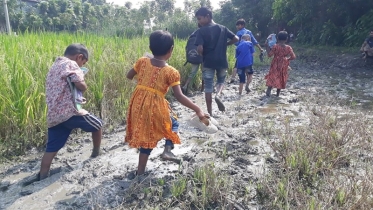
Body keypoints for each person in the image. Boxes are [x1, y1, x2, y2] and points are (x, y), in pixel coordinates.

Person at [125, 30, 209, 178]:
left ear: (150, 48)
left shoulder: (142, 62)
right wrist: (197, 109)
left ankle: (140, 172)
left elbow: (129, 76)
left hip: (137, 104)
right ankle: (167, 150)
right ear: (171, 50)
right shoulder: (171, 72)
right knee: (173, 122)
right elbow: (179, 96)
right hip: (155, 105)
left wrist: (144, 60)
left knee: (147, 137)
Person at [39, 44, 103, 180]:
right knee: (98, 125)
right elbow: (80, 85)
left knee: (51, 148)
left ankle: (43, 175)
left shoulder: (55, 66)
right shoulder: (71, 64)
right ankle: (96, 153)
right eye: (83, 63)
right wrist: (84, 84)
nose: (81, 65)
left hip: (54, 115)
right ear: (79, 57)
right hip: (70, 112)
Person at [194, 7, 239, 116]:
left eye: (200, 19)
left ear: (207, 16)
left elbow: (200, 49)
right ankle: (218, 95)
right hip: (221, 61)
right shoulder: (223, 28)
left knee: (208, 87)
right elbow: (236, 38)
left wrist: (200, 53)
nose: (199, 21)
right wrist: (226, 44)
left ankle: (209, 113)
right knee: (221, 81)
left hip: (208, 62)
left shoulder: (201, 31)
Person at [230, 19, 263, 83]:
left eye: (238, 25)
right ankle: (248, 79)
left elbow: (236, 43)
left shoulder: (239, 33)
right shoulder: (249, 32)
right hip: (248, 52)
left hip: (241, 52)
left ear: (242, 25)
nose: (237, 27)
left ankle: (233, 78)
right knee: (248, 65)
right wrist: (260, 48)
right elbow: (254, 41)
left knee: (236, 65)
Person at [264, 31, 296, 97]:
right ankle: (277, 94)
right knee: (281, 76)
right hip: (284, 64)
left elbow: (269, 55)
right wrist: (287, 59)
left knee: (273, 75)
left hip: (275, 62)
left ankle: (269, 90)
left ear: (277, 38)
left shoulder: (275, 46)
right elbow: (293, 57)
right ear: (286, 39)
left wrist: (266, 46)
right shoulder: (288, 47)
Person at [182, 23, 203, 95]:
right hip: (203, 55)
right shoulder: (204, 33)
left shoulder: (193, 34)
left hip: (193, 55)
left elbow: (187, 47)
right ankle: (203, 89)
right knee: (205, 72)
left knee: (193, 72)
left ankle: (185, 86)